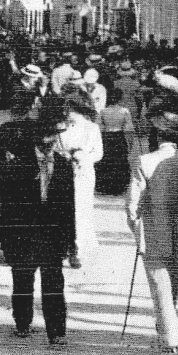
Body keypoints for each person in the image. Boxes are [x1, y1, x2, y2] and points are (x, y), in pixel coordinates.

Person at [0, 101, 73, 346]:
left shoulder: (63, 165)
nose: (49, 142)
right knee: (22, 282)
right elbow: (5, 203)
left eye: (53, 136)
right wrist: (4, 238)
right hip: (22, 235)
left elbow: (69, 207)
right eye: (44, 136)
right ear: (35, 138)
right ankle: (22, 322)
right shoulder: (15, 165)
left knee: (53, 283)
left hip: (52, 236)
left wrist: (71, 240)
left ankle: (57, 330)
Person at [125, 111, 178, 354]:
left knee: (159, 283)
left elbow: (133, 203)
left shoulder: (144, 161)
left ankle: (169, 337)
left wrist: (136, 229)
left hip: (154, 228)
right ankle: (166, 327)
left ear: (157, 135)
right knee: (172, 281)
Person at [57, 98, 104, 268]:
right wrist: (64, 157)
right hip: (63, 171)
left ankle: (77, 250)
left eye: (68, 111)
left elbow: (98, 153)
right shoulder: (61, 126)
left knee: (81, 211)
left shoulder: (92, 128)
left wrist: (84, 158)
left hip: (84, 173)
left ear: (78, 110)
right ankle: (63, 247)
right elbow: (55, 147)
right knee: (63, 210)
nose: (66, 114)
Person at [97, 88, 134, 196]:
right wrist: (130, 144)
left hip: (107, 137)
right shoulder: (124, 111)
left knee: (107, 160)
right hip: (119, 137)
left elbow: (99, 128)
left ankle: (105, 186)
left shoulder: (103, 111)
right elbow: (129, 129)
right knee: (119, 161)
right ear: (120, 98)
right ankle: (118, 187)